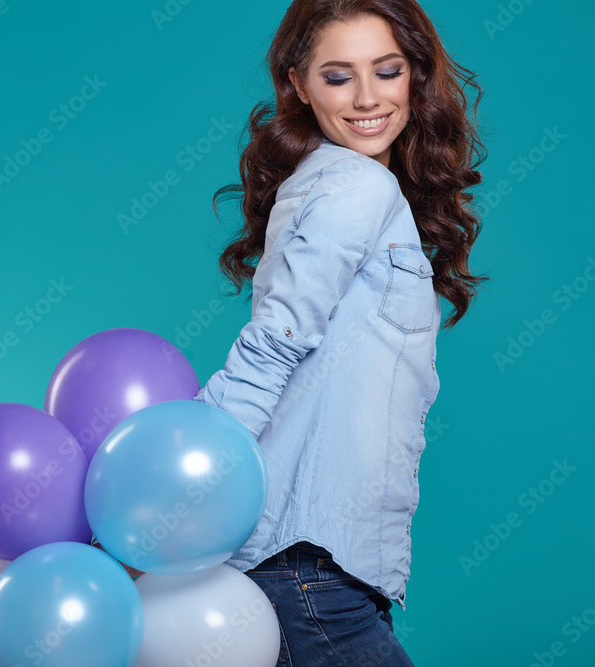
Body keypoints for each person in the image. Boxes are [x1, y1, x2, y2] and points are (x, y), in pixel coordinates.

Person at [192, 1, 489, 664]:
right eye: (337, 77)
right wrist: (174, 495)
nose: (367, 99)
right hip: (309, 567)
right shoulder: (357, 186)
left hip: (307, 565)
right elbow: (272, 349)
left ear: (414, 74)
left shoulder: (330, 182)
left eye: (387, 71)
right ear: (298, 84)